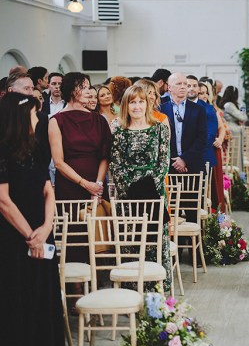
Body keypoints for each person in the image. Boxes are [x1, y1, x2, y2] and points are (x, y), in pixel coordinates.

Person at [0, 92, 65, 346]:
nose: (37, 119)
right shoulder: (3, 150)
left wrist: (46, 227)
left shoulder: (34, 146)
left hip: (41, 231)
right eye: (32, 114)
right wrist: (30, 236)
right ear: (17, 117)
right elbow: (3, 200)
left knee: (43, 297)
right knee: (18, 299)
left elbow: (48, 190)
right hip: (14, 238)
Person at [109, 85, 171, 292]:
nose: (137, 106)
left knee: (154, 238)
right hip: (127, 194)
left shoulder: (159, 127)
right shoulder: (117, 127)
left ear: (148, 103)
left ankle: (155, 287)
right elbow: (115, 162)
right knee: (130, 238)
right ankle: (131, 286)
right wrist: (129, 189)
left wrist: (149, 188)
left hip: (153, 191)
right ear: (126, 105)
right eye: (133, 102)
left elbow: (163, 161)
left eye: (141, 101)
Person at [49, 72, 112, 263]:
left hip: (97, 184)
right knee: (75, 232)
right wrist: (85, 184)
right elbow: (58, 162)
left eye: (88, 86)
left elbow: (105, 156)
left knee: (100, 230)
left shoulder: (99, 120)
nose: (88, 91)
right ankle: (76, 284)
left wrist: (98, 184)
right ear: (71, 90)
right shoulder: (56, 121)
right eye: (83, 87)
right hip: (70, 186)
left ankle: (100, 277)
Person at [160, 72, 207, 174]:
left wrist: (184, 159)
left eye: (185, 84)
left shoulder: (199, 109)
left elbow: (202, 138)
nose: (183, 87)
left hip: (192, 164)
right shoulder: (161, 109)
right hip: (168, 165)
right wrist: (176, 161)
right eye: (178, 84)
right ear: (169, 87)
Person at [198, 80, 227, 212]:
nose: (203, 96)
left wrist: (220, 139)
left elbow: (222, 128)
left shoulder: (211, 108)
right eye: (200, 93)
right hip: (201, 152)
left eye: (205, 93)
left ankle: (218, 218)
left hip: (213, 150)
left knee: (215, 187)